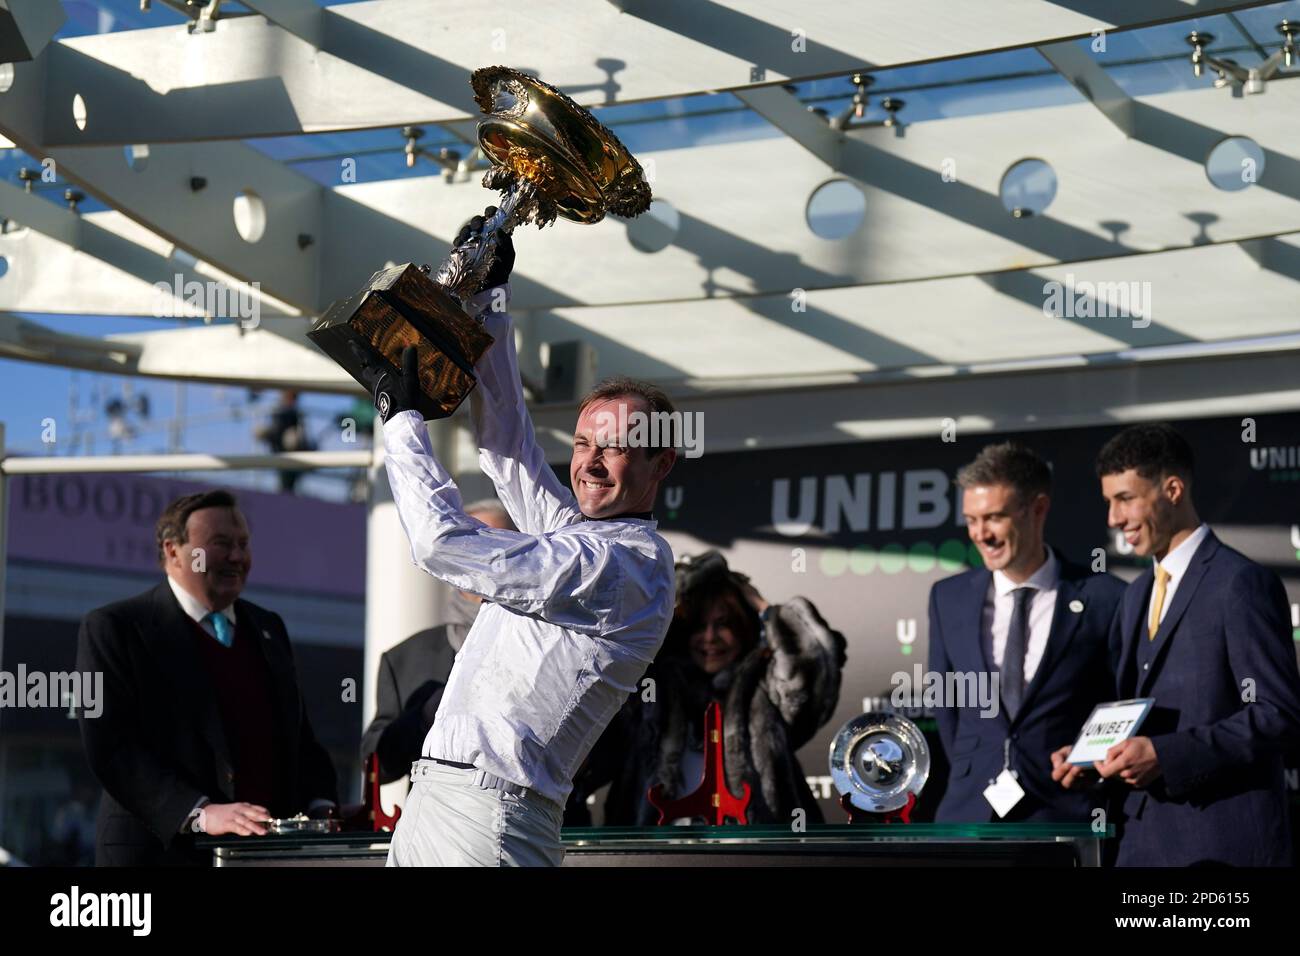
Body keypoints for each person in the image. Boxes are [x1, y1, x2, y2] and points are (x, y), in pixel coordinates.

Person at [359, 208, 678, 866]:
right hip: (439, 802)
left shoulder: (624, 566)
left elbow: (442, 544)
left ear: (660, 464)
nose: (588, 464)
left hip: (490, 815)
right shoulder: (586, 539)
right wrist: (491, 300)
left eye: (614, 449)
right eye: (585, 442)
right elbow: (508, 449)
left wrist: (400, 419)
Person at [1053, 423, 1300, 865]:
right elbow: (1132, 713)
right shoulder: (1134, 596)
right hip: (1139, 846)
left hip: (1224, 850)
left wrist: (1167, 755)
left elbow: (1278, 714)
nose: (1113, 518)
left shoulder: (1241, 584)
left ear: (1172, 488)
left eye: (1125, 499)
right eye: (1108, 501)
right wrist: (1092, 759)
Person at [76, 490, 338, 866]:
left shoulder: (268, 628)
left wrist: (321, 804)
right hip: (161, 857)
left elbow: (300, 739)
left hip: (264, 855)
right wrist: (199, 813)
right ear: (172, 551)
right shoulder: (114, 629)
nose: (236, 556)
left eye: (243, 544)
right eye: (220, 544)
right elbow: (111, 749)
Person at [928, 442, 1124, 822]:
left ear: (1037, 509)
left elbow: (1119, 701)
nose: (981, 534)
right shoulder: (947, 598)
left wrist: (1088, 764)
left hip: (1066, 812)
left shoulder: (1106, 597)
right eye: (971, 520)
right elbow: (947, 709)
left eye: (994, 517)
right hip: (970, 815)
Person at [577, 550, 846, 826]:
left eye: (723, 624)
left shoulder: (764, 688)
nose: (710, 638)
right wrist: (670, 600)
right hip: (653, 857)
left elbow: (812, 666)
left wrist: (761, 605)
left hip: (758, 856)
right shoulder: (649, 693)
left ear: (742, 627)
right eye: (698, 626)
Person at [360, 500, 515, 785]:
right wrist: (421, 718)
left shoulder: (555, 639)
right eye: (470, 548)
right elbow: (375, 764)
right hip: (438, 823)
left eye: (498, 549)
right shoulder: (404, 658)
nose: (483, 560)